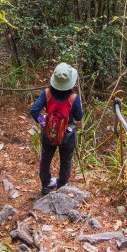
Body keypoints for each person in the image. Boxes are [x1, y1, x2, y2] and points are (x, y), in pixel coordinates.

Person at [30, 62, 83, 195]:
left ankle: (46, 185)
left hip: (49, 133)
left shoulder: (47, 93)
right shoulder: (73, 98)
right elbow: (79, 116)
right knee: (66, 160)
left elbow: (34, 111)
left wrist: (43, 123)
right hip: (67, 135)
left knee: (46, 159)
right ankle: (62, 185)